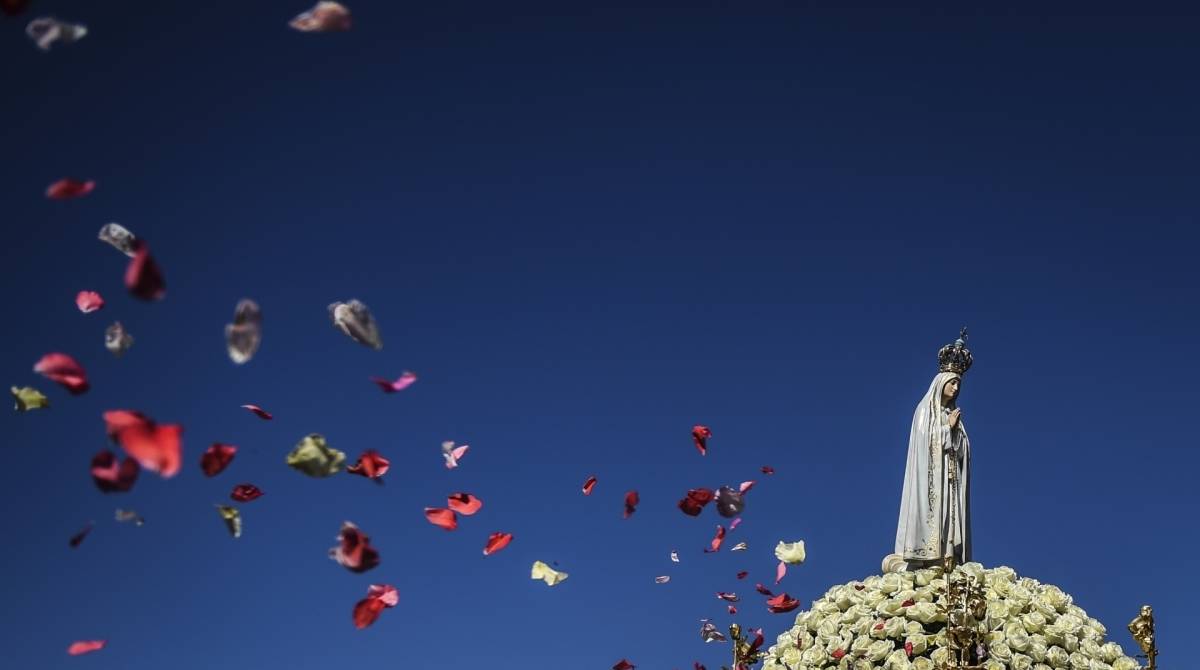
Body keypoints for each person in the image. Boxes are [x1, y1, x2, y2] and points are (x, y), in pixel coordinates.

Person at [893, 330, 973, 570]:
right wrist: (946, 430)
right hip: (931, 481)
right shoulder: (925, 411)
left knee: (949, 518)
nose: (956, 387)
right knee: (935, 515)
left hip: (950, 481)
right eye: (953, 382)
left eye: (959, 383)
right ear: (941, 383)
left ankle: (948, 556)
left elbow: (964, 451)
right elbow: (922, 442)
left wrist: (956, 436)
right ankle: (927, 556)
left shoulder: (953, 415)